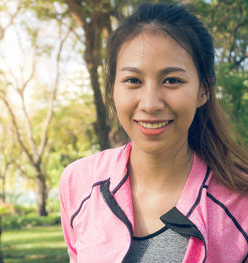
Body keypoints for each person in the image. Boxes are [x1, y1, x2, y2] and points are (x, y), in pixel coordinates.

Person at [59, 3, 248, 263]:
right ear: (113, 88)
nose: (150, 103)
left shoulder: (241, 204)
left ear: (203, 90)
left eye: (171, 80)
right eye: (133, 80)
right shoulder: (77, 182)